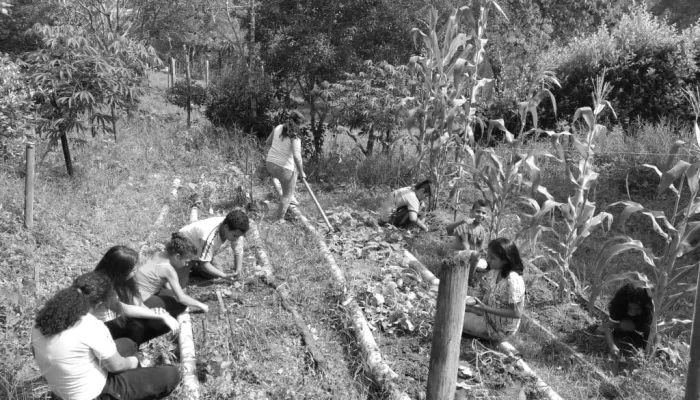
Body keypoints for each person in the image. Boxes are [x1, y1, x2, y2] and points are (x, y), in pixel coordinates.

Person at [31, 272, 180, 400]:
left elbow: (37, 352)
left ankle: (134, 381)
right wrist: (134, 361)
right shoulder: (90, 325)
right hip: (96, 394)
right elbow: (117, 366)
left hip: (62, 389)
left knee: (128, 344)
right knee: (171, 374)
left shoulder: (43, 320)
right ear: (100, 302)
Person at [93, 246, 181, 346]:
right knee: (137, 326)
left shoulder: (122, 280)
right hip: (104, 326)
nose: (136, 272)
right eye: (133, 270)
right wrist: (161, 316)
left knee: (162, 313)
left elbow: (136, 301)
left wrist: (152, 312)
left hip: (119, 316)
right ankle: (131, 349)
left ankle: (135, 344)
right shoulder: (101, 286)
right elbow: (125, 309)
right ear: (120, 270)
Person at [462, 237, 525, 343]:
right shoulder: (495, 271)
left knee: (455, 316)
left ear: (505, 260)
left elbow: (516, 313)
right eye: (488, 256)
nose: (488, 260)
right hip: (488, 314)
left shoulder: (513, 281)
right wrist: (477, 304)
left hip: (497, 329)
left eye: (492, 258)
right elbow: (488, 292)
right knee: (457, 303)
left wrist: (485, 308)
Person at [136, 232, 210, 315]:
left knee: (172, 294)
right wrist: (201, 305)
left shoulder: (158, 254)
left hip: (133, 291)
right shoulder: (168, 269)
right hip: (140, 301)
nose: (187, 265)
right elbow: (181, 298)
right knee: (181, 305)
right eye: (186, 261)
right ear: (177, 257)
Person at [178, 209, 250, 286]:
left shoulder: (234, 228)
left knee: (216, 273)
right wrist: (225, 276)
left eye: (239, 236)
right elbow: (205, 265)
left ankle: (198, 261)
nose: (237, 239)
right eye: (235, 236)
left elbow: (238, 251)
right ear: (226, 227)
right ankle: (192, 265)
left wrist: (237, 272)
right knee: (181, 277)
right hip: (183, 249)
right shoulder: (209, 236)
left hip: (200, 248)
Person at [265, 110, 306, 223]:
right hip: (283, 168)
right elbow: (297, 156)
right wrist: (302, 173)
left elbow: (267, 142)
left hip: (270, 163)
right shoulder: (295, 135)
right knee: (287, 194)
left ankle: (290, 198)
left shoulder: (278, 127)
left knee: (290, 177)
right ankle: (279, 219)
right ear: (299, 124)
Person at [597, 282, 654, 358]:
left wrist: (649, 352)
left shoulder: (649, 311)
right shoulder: (618, 306)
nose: (633, 312)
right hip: (624, 322)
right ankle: (623, 333)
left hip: (640, 322)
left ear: (644, 307)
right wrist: (612, 345)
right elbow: (608, 327)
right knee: (601, 330)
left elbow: (655, 334)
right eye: (630, 308)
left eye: (637, 309)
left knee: (649, 335)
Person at [446, 199, 490, 280]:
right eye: (478, 211)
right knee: (475, 255)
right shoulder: (465, 225)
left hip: (469, 256)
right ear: (471, 212)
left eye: (484, 213)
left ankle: (469, 271)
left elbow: (479, 250)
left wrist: (484, 252)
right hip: (455, 255)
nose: (480, 215)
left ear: (486, 215)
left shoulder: (482, 231)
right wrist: (461, 222)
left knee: (486, 264)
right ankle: (469, 279)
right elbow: (449, 230)